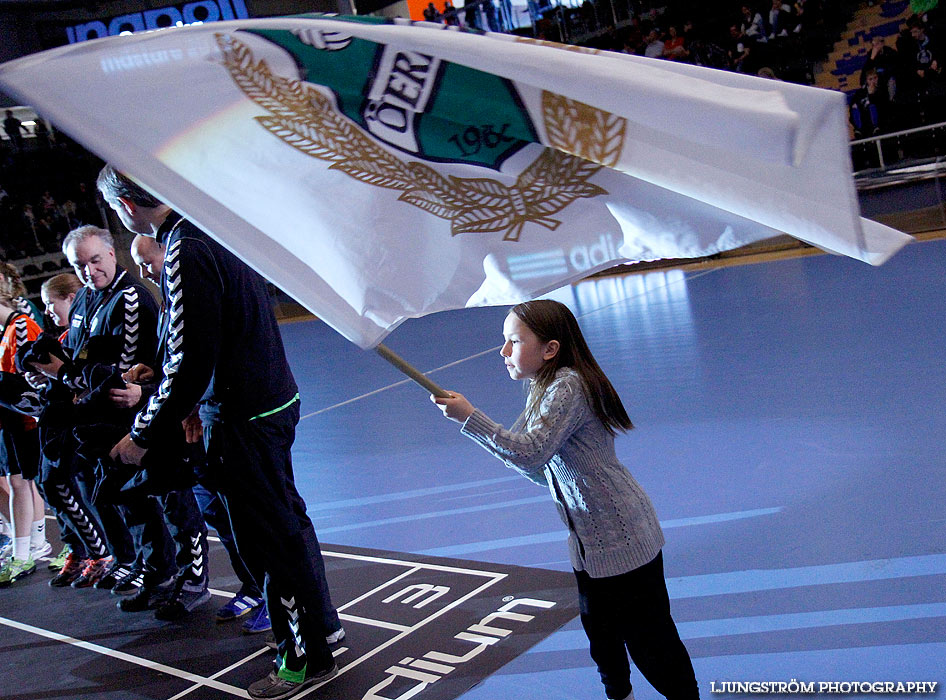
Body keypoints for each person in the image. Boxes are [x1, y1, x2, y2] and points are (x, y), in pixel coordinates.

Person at [98, 165, 343, 700]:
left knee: (267, 542)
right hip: (270, 401)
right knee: (287, 523)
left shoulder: (185, 248)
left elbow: (191, 359)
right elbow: (208, 339)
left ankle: (301, 659)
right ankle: (321, 626)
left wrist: (142, 433)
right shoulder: (214, 225)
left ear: (127, 205)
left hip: (242, 419)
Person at [431, 299, 698, 700]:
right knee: (601, 635)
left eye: (513, 341)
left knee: (651, 642)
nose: (503, 351)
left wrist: (471, 417)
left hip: (622, 537)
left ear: (550, 349)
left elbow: (529, 451)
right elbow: (534, 463)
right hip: (588, 541)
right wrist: (481, 430)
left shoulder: (567, 386)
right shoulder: (541, 386)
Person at [0, 264, 49, 587]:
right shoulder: (6, 330)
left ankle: (26, 549)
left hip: (24, 419)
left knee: (25, 483)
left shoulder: (21, 325)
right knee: (18, 482)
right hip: (9, 417)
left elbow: (33, 378)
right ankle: (25, 543)